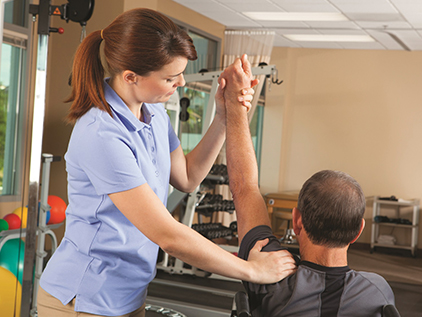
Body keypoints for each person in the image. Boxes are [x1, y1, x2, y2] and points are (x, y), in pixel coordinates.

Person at [37, 8, 297, 317]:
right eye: (171, 78)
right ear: (131, 77)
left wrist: (224, 116)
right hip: (85, 298)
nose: (182, 83)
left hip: (128, 295)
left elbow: (187, 178)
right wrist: (251, 271)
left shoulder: (154, 112)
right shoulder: (101, 135)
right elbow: (168, 235)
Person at [220, 55, 396, 316]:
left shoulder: (270, 275)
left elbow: (245, 186)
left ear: (297, 221)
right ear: (358, 230)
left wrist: (235, 103)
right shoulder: (377, 292)